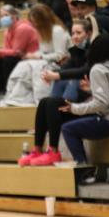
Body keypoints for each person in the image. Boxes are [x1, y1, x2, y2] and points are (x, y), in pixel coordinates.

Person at [20, 19, 94, 167]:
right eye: (73, 33)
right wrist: (52, 74)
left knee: (61, 90)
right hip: (75, 99)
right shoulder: (75, 52)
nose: (75, 36)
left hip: (89, 101)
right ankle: (38, 149)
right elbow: (66, 68)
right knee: (44, 102)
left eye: (79, 33)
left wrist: (58, 76)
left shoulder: (93, 51)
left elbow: (84, 71)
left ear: (89, 34)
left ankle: (53, 151)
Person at [59, 34, 109, 179]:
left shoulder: (97, 69)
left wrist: (74, 108)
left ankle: (84, 169)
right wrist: (93, 89)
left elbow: (101, 103)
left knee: (68, 128)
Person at [0, 4, 70, 107]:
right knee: (23, 65)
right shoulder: (42, 32)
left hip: (59, 63)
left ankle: (41, 99)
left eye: (36, 22)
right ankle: (15, 97)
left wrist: (39, 57)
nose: (35, 25)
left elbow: (60, 55)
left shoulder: (57, 30)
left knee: (37, 66)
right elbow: (43, 51)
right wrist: (31, 55)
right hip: (46, 60)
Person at [0, 5, 40, 95]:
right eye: (1, 16)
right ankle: (2, 91)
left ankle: (11, 90)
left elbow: (16, 52)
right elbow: (7, 51)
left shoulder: (23, 28)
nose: (3, 18)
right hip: (19, 57)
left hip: (32, 57)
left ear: (14, 16)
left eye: (5, 15)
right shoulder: (7, 31)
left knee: (8, 61)